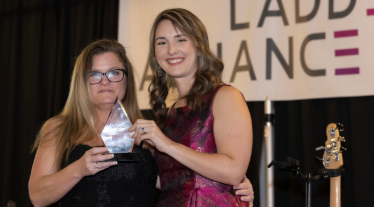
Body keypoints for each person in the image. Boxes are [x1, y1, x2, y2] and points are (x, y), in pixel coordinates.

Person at [29, 39, 254, 206]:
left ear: (126, 79)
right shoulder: (59, 128)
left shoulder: (145, 133)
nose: (105, 81)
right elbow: (37, 196)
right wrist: (78, 169)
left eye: (114, 73)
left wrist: (230, 185)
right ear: (82, 81)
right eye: (95, 74)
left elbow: (175, 181)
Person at [129, 8, 254, 207]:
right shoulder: (170, 114)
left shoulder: (225, 97)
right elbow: (170, 181)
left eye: (180, 39)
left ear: (198, 45)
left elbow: (234, 171)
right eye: (162, 42)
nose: (171, 50)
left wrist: (167, 145)